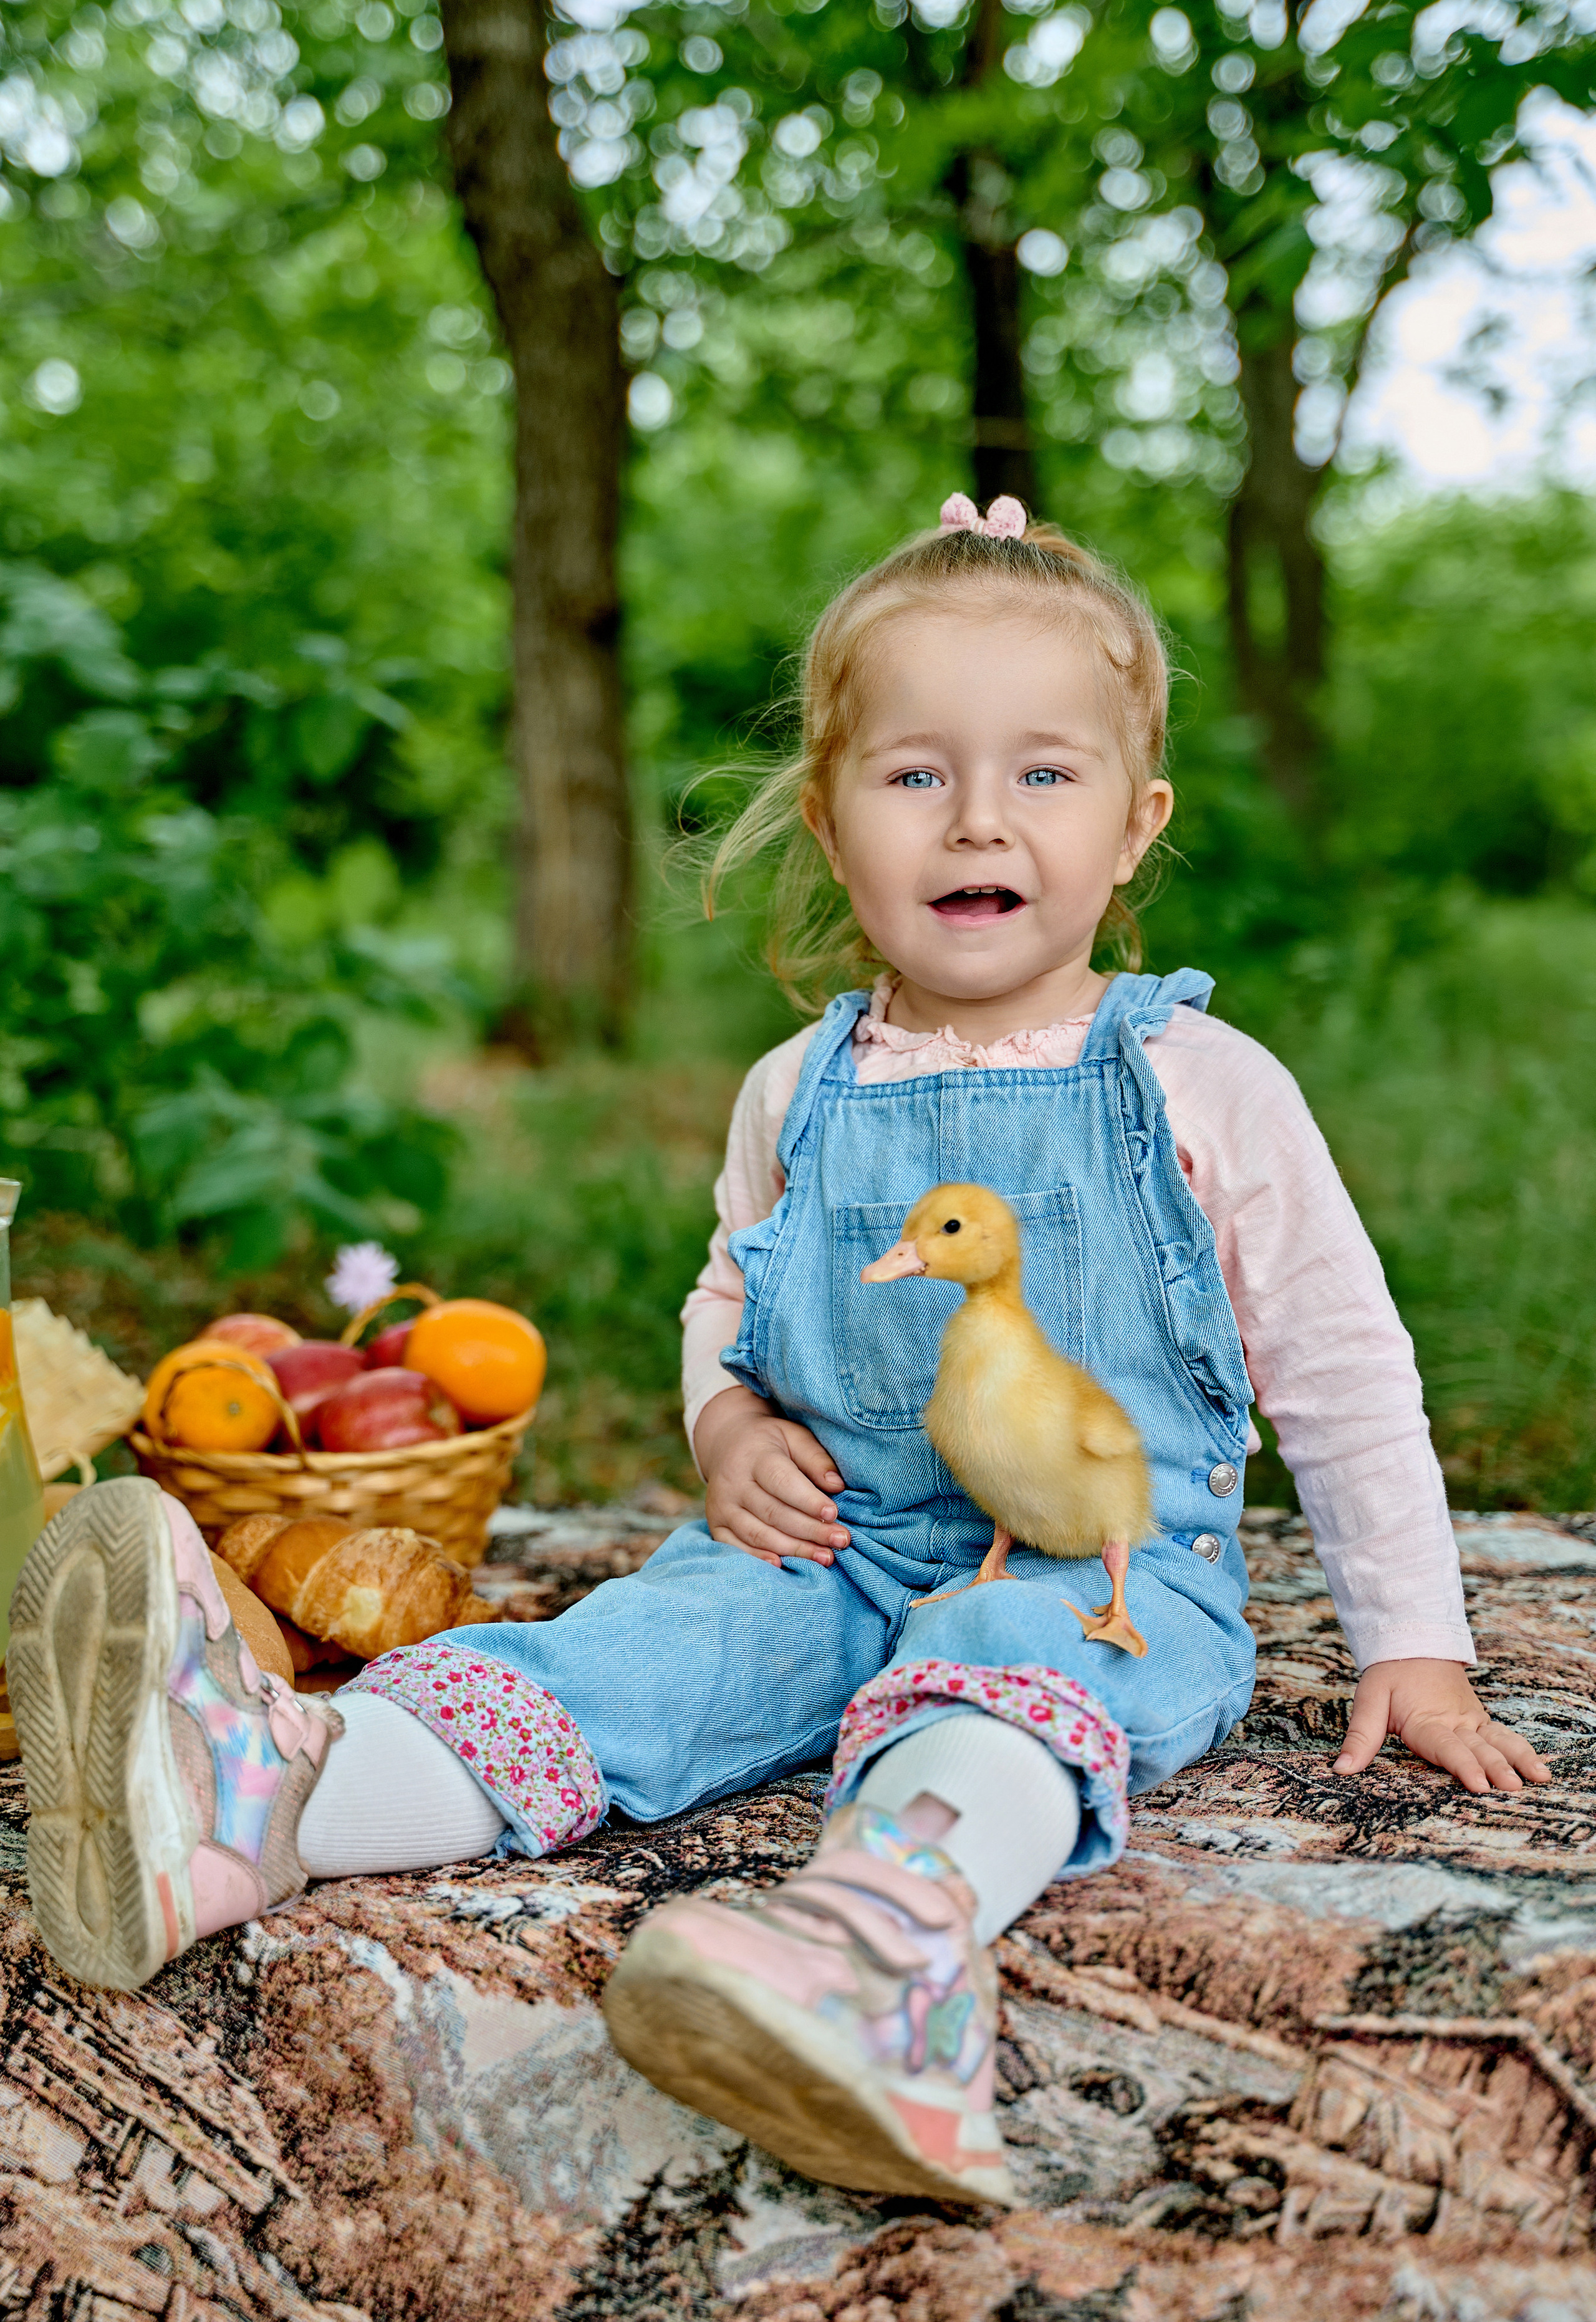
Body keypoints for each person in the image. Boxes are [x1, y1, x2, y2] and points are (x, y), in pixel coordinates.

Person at [10, 494, 1549, 2211]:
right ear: (831, 822)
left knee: (1010, 1669)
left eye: (1046, 773)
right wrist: (726, 1421)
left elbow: (1343, 1366)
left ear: (1136, 827)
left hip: (1097, 1564)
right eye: (916, 776)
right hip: (825, 1550)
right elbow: (724, 1305)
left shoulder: (1198, 1083)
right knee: (633, 1657)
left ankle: (883, 1953)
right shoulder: (794, 1088)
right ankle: (263, 1801)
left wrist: (1414, 1641)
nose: (980, 817)